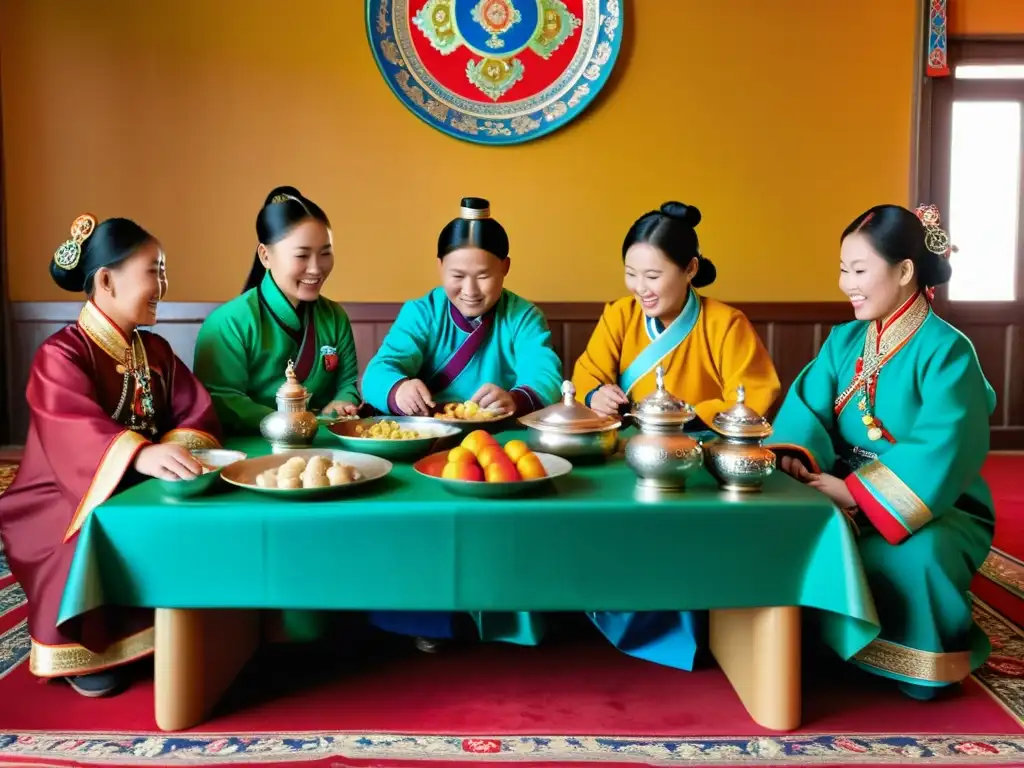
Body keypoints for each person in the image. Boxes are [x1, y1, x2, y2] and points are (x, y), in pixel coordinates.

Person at [770, 203, 994, 700]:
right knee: (793, 534)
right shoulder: (843, 340)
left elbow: (947, 444)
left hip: (931, 501)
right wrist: (800, 461)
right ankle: (814, 649)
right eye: (843, 270)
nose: (846, 283)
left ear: (905, 271)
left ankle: (912, 665)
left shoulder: (948, 350)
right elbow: (806, 410)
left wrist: (855, 494)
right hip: (835, 484)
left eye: (858, 270)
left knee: (920, 557)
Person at [0, 215, 222, 698]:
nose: (163, 284)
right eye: (153, 270)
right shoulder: (61, 354)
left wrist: (173, 454)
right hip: (66, 495)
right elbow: (71, 432)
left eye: (164, 271)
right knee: (89, 534)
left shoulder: (156, 350)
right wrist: (142, 456)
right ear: (106, 280)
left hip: (140, 481)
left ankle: (186, 625)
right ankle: (90, 648)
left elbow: (196, 413)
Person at [569, 201, 781, 672]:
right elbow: (588, 370)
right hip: (624, 455)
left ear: (690, 269)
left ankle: (681, 630)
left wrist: (677, 417)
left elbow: (755, 394)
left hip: (695, 458)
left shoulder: (725, 323)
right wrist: (595, 392)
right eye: (631, 274)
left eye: (653, 275)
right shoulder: (619, 316)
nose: (639, 289)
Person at [361, 196, 563, 652]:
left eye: (484, 275)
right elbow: (380, 370)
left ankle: (506, 619)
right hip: (427, 444)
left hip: (499, 443)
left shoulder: (523, 316)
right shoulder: (421, 312)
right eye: (457, 276)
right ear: (439, 268)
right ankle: (426, 622)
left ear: (506, 267)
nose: (470, 289)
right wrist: (398, 390)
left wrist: (515, 398)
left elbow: (546, 373)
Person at [193, 186, 361, 434]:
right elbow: (224, 401)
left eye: (325, 253)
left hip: (326, 443)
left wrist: (343, 403)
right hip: (252, 447)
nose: (316, 268)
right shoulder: (227, 323)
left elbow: (347, 384)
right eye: (302, 256)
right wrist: (294, 424)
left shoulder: (335, 317)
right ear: (265, 256)